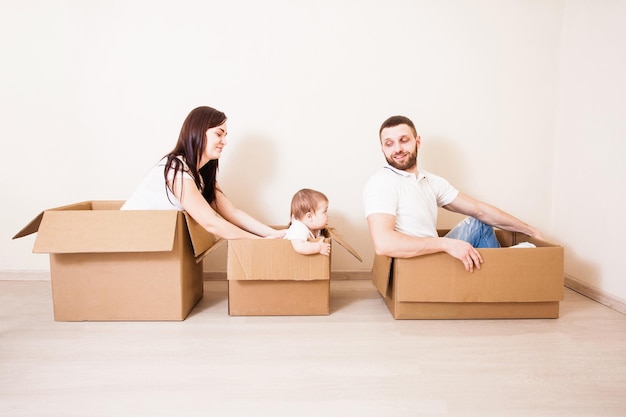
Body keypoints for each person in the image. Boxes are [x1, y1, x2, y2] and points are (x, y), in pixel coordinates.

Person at [363, 115, 543, 272]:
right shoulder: (382, 182)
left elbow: (479, 210)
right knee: (519, 252)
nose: (397, 149)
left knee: (479, 223)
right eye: (389, 144)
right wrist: (446, 244)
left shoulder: (430, 181)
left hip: (432, 252)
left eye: (404, 140)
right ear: (382, 149)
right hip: (416, 264)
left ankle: (499, 271)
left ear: (417, 142)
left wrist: (529, 230)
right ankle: (507, 268)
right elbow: (384, 243)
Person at [121, 106, 284, 240]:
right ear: (198, 132)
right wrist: (260, 242)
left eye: (225, 135)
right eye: (219, 134)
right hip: (127, 238)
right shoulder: (176, 169)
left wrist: (275, 234)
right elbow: (210, 222)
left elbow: (232, 212)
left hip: (150, 241)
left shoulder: (199, 175)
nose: (225, 142)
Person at [283, 188, 331, 256]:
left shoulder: (316, 229)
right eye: (325, 211)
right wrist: (319, 247)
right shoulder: (299, 228)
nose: (328, 216)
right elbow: (299, 247)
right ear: (309, 216)